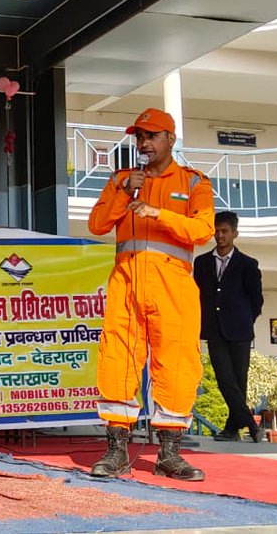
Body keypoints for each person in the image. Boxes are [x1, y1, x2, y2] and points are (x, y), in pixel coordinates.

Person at [87, 108, 215, 481]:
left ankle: (170, 454)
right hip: (126, 281)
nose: (143, 143)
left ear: (170, 139)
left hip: (173, 285)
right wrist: (125, 193)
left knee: (176, 363)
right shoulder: (121, 181)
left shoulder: (194, 184)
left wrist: (157, 213)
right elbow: (97, 225)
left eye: (151, 136)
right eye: (139, 137)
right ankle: (116, 451)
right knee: (117, 358)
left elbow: (203, 230)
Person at [193, 211, 264, 443]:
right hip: (214, 330)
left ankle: (232, 429)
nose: (220, 235)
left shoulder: (248, 264)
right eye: (217, 231)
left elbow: (257, 300)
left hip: (241, 330)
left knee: (239, 381)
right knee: (225, 379)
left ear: (235, 233)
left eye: (225, 231)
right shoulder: (202, 262)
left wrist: (245, 320)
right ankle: (253, 427)